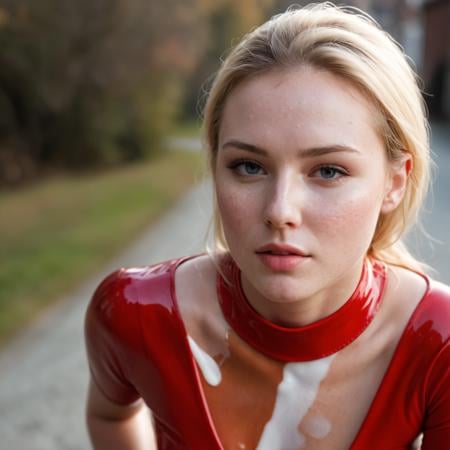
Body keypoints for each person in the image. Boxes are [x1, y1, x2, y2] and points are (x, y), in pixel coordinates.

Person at [84, 3, 450, 449]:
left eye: (328, 171)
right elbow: (111, 413)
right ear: (216, 166)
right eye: (249, 166)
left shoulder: (438, 343)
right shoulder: (135, 314)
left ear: (394, 182)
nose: (280, 210)